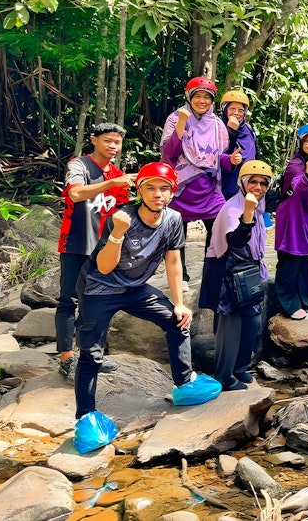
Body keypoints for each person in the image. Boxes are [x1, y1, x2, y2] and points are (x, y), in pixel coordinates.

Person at [74, 162, 217, 419]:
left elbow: (173, 262)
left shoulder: (173, 219)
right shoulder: (122, 217)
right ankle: (86, 416)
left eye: (164, 188)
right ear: (139, 190)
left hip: (134, 288)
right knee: (91, 355)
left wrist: (179, 302)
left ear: (173, 192)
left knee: (178, 321)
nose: (157, 194)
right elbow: (104, 268)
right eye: (150, 188)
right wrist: (118, 233)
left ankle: (184, 383)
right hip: (98, 289)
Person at [56, 123, 136, 381]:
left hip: (104, 249)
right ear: (94, 140)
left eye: (117, 142)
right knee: (69, 300)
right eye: (107, 141)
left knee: (98, 301)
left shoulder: (117, 174)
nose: (113, 146)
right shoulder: (78, 166)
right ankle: (67, 358)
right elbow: (76, 193)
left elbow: (122, 214)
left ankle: (91, 354)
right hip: (76, 243)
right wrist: (112, 182)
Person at [199, 160, 273, 391]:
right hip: (227, 273)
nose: (258, 187)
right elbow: (235, 241)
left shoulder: (258, 207)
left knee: (251, 322)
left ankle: (240, 368)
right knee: (230, 325)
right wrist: (248, 213)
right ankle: (224, 375)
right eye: (253, 182)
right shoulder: (234, 208)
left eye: (263, 183)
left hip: (249, 272)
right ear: (243, 183)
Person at [160, 76, 235, 289]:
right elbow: (169, 153)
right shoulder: (175, 118)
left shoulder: (218, 125)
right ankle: (180, 276)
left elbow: (219, 157)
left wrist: (231, 161)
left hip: (209, 186)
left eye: (207, 97)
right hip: (181, 185)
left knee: (219, 228)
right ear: (189, 96)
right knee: (177, 233)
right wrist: (182, 124)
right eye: (197, 96)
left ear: (212, 100)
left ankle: (211, 271)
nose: (202, 101)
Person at [274, 124, 308, 320]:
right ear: (301, 143)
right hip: (293, 217)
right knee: (290, 258)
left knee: (305, 259)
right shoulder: (296, 164)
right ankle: (288, 304)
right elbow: (297, 189)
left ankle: (305, 301)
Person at [218, 90, 258, 201]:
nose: (237, 113)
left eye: (241, 110)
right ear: (224, 110)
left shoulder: (248, 128)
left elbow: (256, 151)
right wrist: (231, 131)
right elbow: (220, 154)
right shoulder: (217, 127)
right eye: (232, 109)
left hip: (248, 178)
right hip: (228, 180)